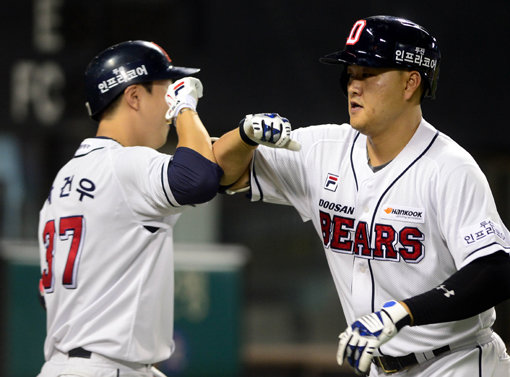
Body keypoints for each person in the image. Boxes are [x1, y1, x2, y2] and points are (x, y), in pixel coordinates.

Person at [212, 15, 510, 376]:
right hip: (376, 367)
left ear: (410, 83)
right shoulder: (323, 148)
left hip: (455, 362)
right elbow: (218, 173)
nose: (354, 86)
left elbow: (495, 271)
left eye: (368, 73)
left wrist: (401, 312)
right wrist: (243, 135)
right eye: (350, 74)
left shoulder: (449, 167)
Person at [37, 40, 223, 377]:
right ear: (134, 96)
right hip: (106, 367)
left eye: (173, 98)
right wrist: (185, 108)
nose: (168, 108)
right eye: (166, 93)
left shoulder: (64, 179)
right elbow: (199, 179)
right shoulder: (123, 164)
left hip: (70, 364)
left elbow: (49, 291)